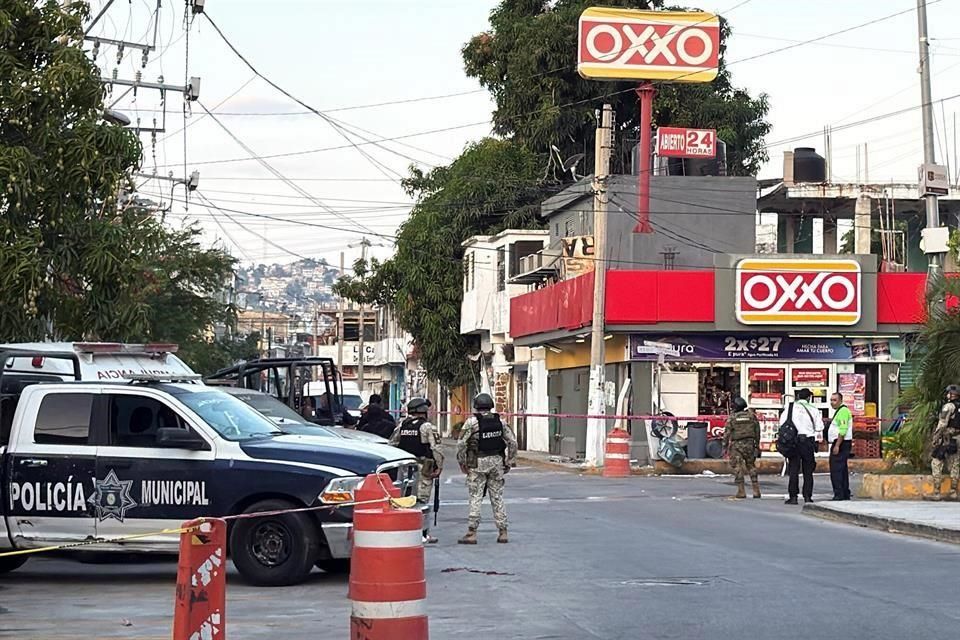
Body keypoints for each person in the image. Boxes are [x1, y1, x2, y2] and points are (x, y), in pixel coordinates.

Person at [456, 393, 518, 545]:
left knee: (476, 496)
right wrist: (510, 461)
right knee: (497, 496)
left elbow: (461, 444)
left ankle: (472, 533)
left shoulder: (472, 422)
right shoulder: (500, 422)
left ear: (476, 406)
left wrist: (462, 461)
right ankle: (503, 532)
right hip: (497, 462)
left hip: (477, 463)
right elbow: (513, 442)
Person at [389, 397, 444, 542]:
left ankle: (403, 531)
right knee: (422, 501)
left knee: (405, 500)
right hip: (423, 467)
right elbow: (436, 449)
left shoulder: (402, 425)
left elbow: (392, 444)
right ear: (423, 410)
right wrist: (439, 466)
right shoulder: (427, 427)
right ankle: (423, 534)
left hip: (405, 468)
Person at [780, 388, 823, 505]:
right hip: (807, 442)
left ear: (798, 397)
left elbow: (782, 423)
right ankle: (807, 496)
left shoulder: (790, 407)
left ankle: (793, 497)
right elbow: (820, 427)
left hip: (793, 441)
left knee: (793, 469)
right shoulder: (814, 409)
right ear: (809, 397)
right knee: (808, 471)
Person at [723, 396, 762, 499]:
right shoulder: (752, 416)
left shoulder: (732, 417)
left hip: (737, 445)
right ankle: (756, 490)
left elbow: (727, 434)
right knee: (751, 466)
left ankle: (741, 491)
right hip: (750, 444)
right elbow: (757, 431)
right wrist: (757, 445)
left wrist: (724, 447)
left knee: (738, 467)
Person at [929, 384, 960, 501]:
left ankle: (937, 492)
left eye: (948, 393)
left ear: (951, 395)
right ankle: (953, 492)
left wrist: (935, 439)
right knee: (955, 464)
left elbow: (942, 424)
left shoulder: (948, 407)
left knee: (936, 462)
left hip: (947, 439)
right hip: (958, 439)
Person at [827, 392, 854, 501]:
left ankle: (839, 494)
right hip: (841, 442)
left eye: (834, 400)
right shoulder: (840, 411)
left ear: (841, 400)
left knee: (836, 470)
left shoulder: (843, 411)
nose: (832, 402)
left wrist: (837, 445)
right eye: (831, 400)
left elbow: (842, 430)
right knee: (842, 469)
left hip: (841, 443)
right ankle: (844, 493)